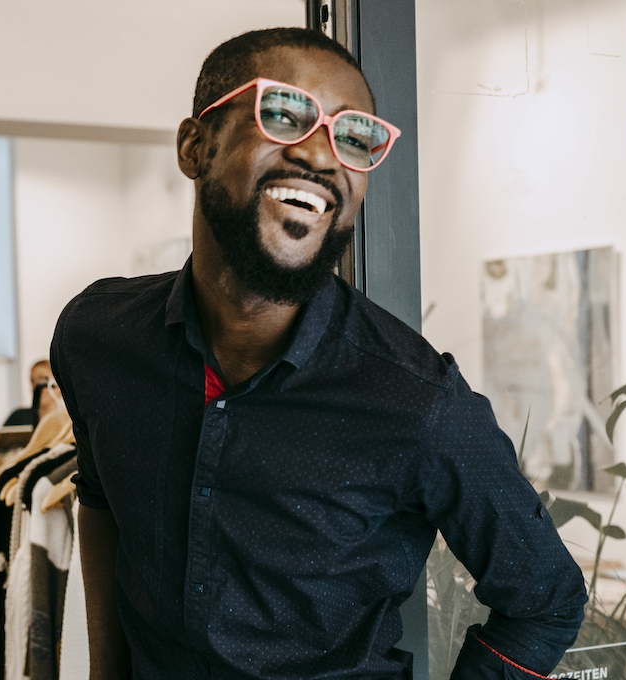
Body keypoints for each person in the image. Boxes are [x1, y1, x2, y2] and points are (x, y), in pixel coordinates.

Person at [50, 28, 587, 680]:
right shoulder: (96, 338)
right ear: (195, 146)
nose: (321, 155)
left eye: (353, 138)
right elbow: (102, 500)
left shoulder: (417, 400)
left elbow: (546, 601)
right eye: (284, 114)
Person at [3, 359, 64, 427]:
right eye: (32, 381)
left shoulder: (70, 417)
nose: (37, 386)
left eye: (43, 379)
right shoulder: (18, 417)